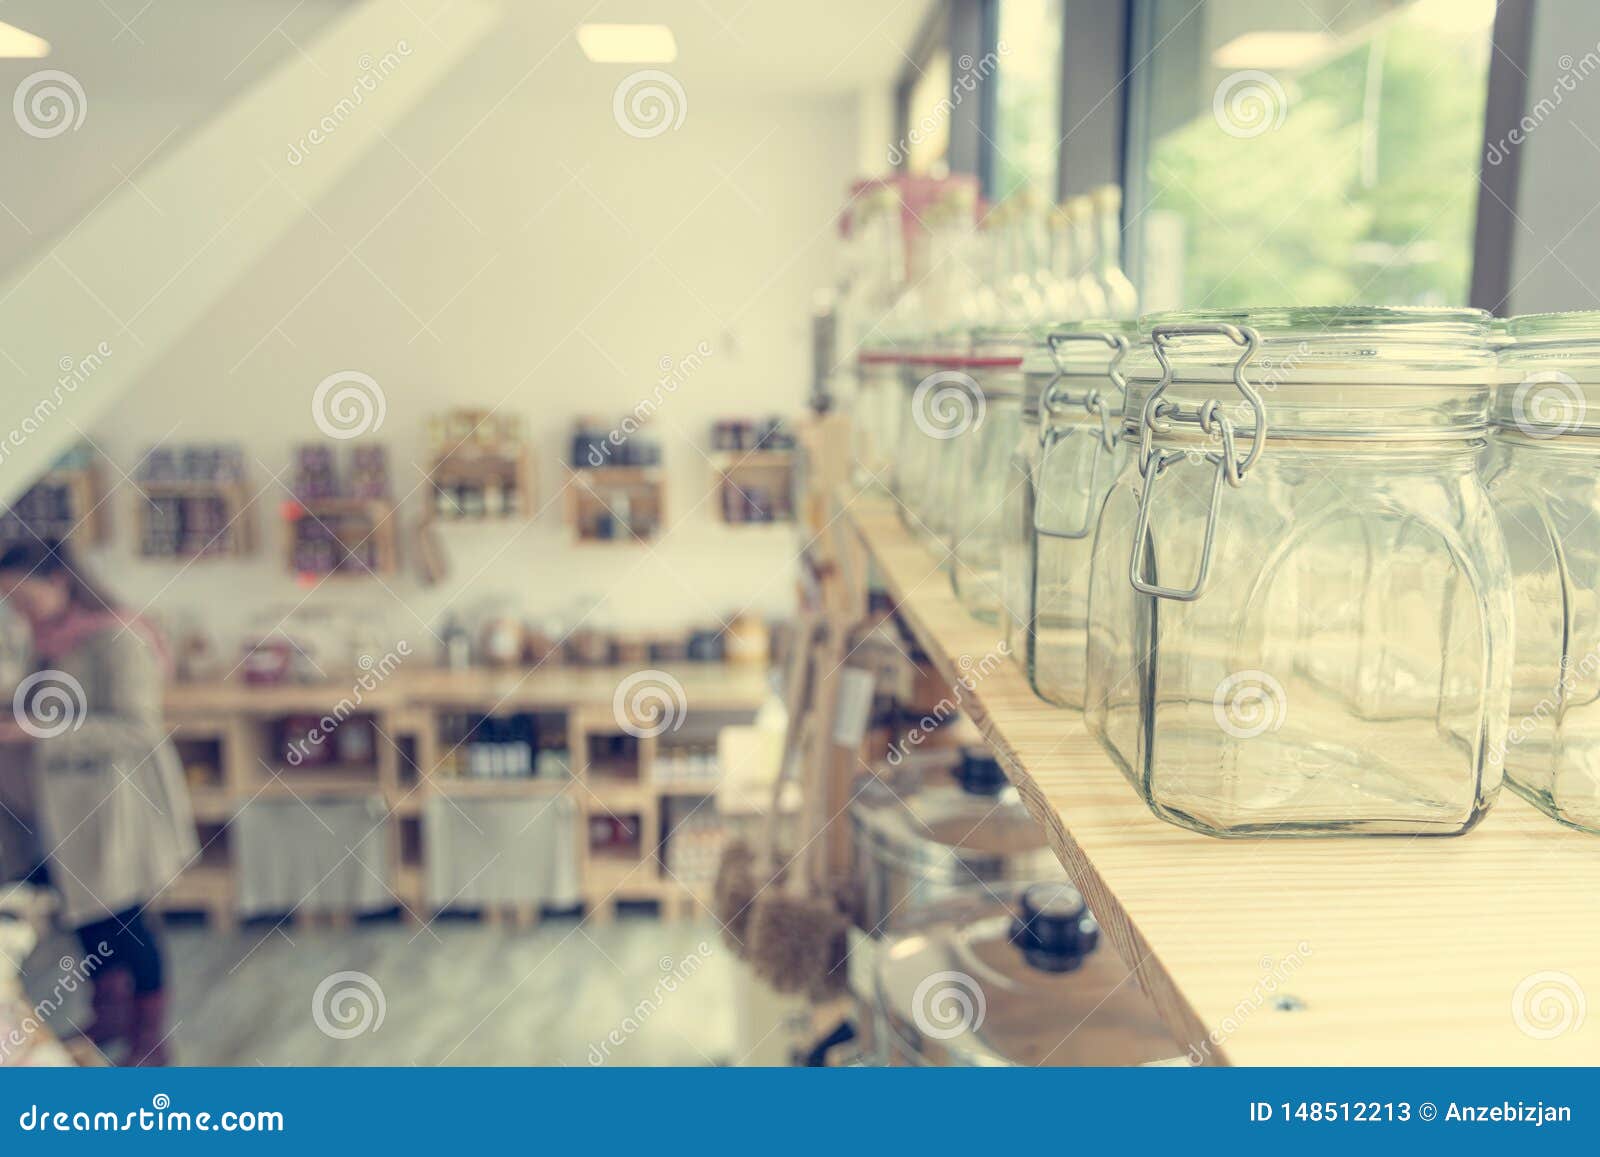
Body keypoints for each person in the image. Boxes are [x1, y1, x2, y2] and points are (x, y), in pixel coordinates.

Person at [0, 538, 196, 1065]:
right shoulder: (46, 640)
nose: (19, 611)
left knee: (127, 919)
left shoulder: (117, 638)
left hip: (113, 810)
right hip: (62, 812)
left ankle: (150, 1038)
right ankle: (109, 1017)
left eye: (23, 598)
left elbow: (137, 728)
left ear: (58, 582)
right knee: (86, 915)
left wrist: (42, 731)